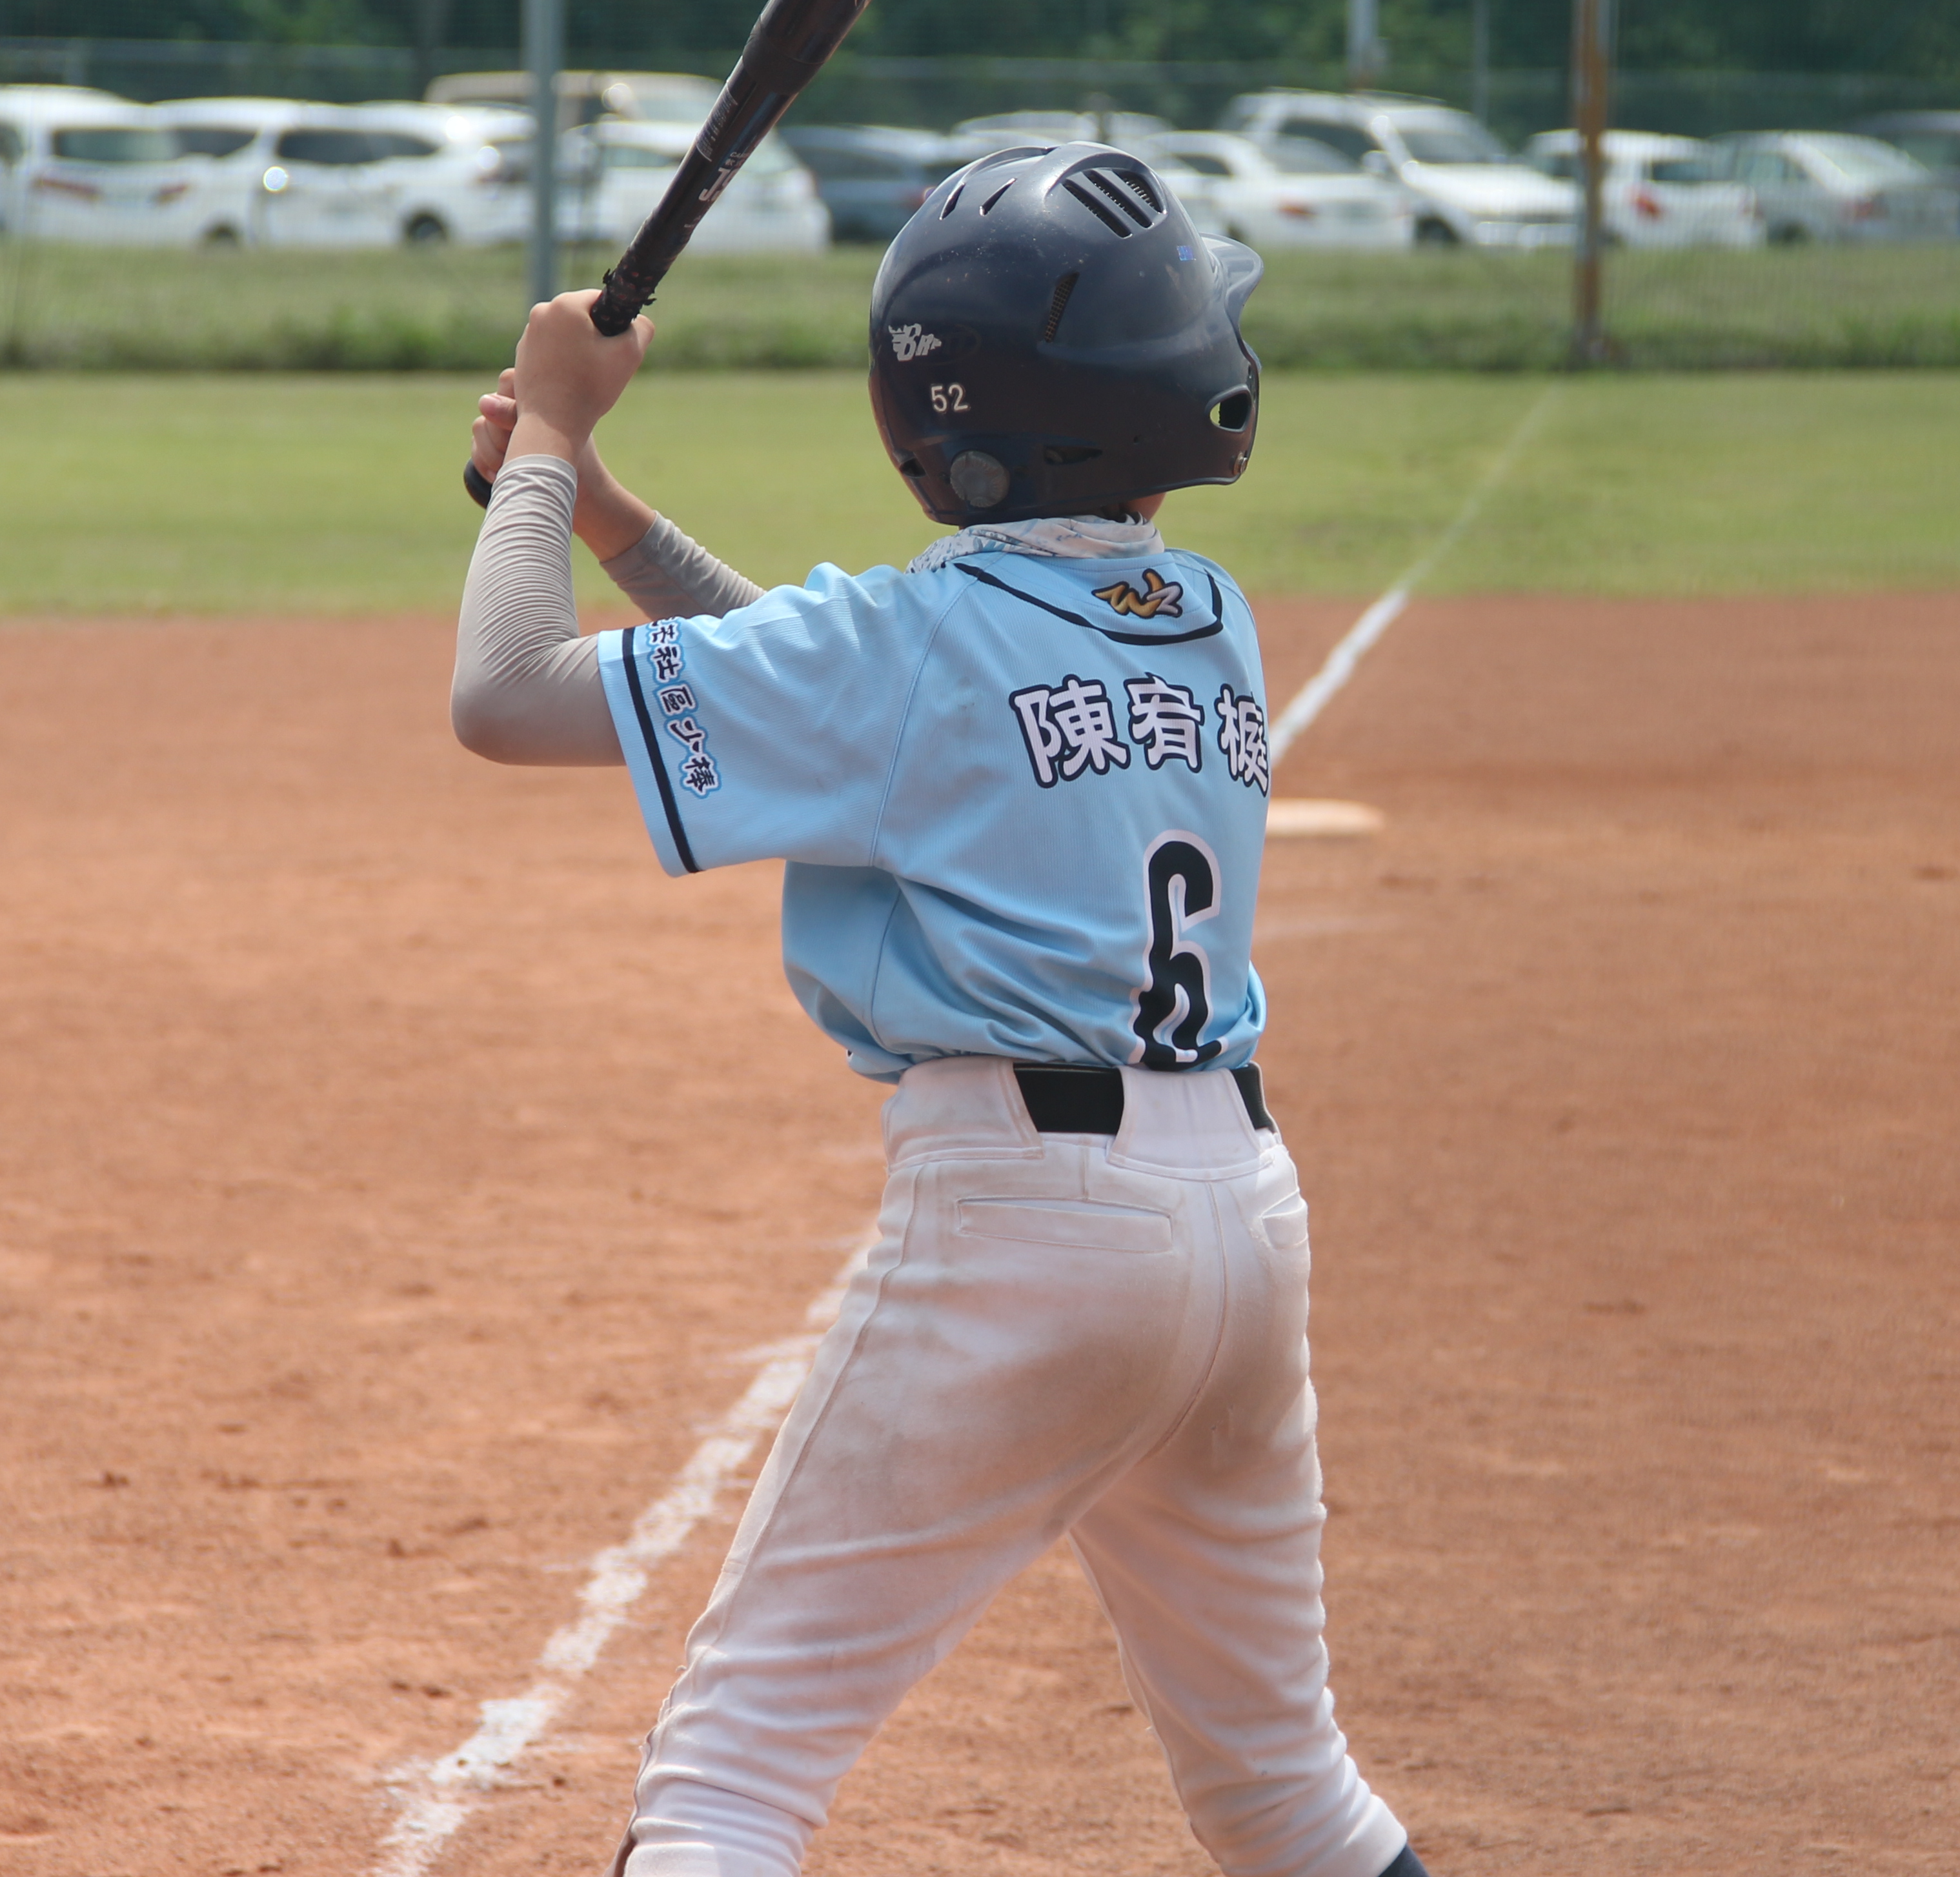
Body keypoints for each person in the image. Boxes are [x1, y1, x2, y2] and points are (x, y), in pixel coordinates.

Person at [449, 139, 1430, 1877]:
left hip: (1029, 1232)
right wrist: (600, 509)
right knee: (1289, 1794)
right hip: (1243, 1223)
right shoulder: (1205, 616)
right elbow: (829, 703)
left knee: (730, 1780)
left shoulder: (907, 652)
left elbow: (507, 694)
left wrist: (542, 445)